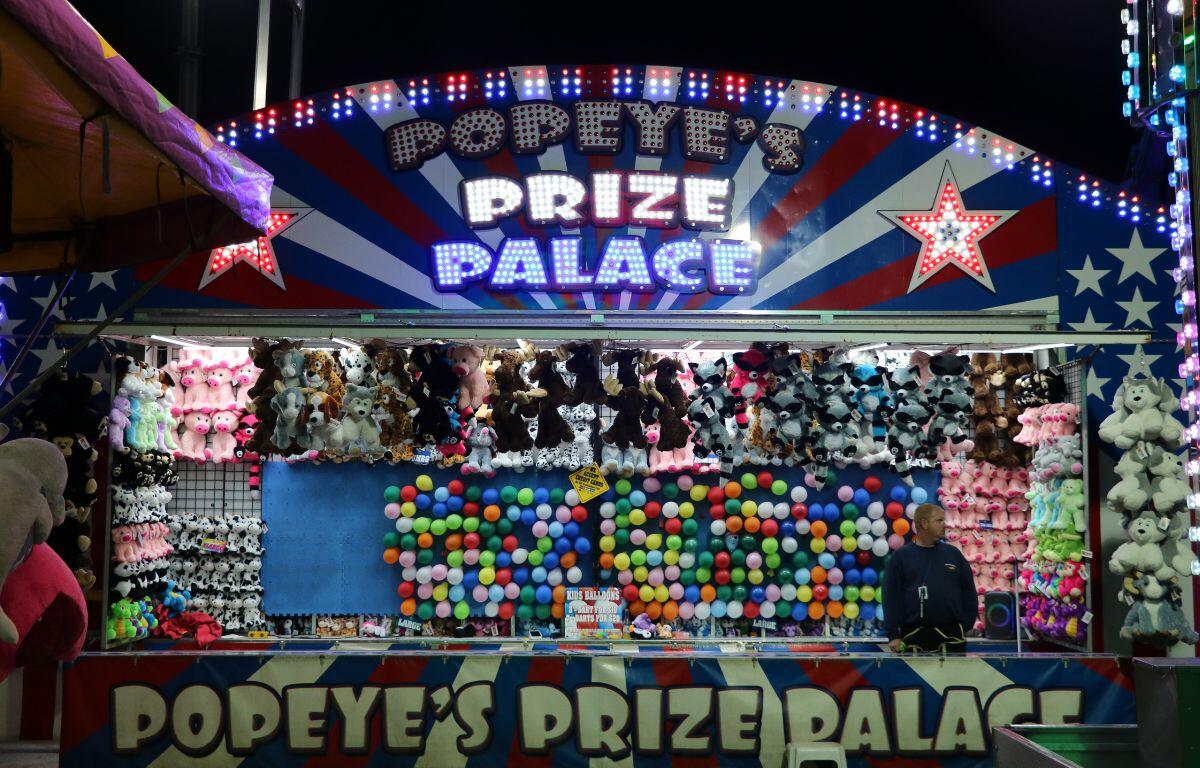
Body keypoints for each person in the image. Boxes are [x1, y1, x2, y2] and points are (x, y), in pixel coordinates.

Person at [883, 503, 977, 653]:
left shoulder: (953, 554)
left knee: (955, 678)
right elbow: (891, 597)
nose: (944, 525)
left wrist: (965, 625)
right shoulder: (901, 557)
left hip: (952, 638)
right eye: (939, 521)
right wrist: (893, 634)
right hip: (913, 638)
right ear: (924, 523)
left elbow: (969, 591)